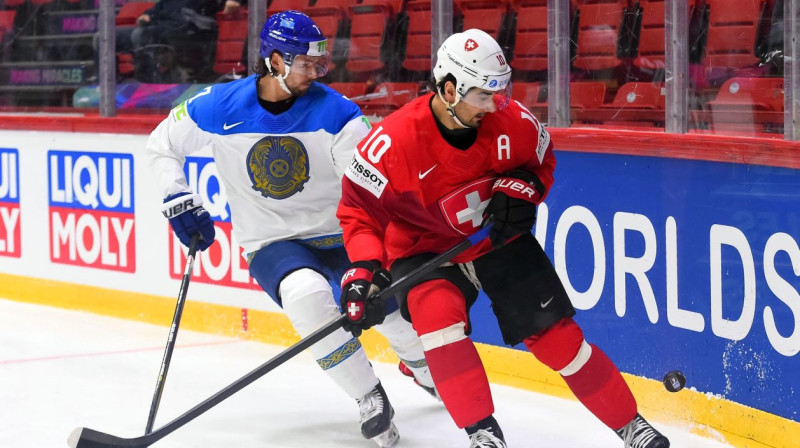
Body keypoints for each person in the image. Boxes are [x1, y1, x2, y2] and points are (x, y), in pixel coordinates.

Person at [336, 28, 671, 448]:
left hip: (497, 242)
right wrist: (364, 269)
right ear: (450, 88)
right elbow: (358, 211)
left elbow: (541, 163)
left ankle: (630, 425)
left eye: (500, 92)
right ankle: (483, 435)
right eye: (483, 95)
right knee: (439, 327)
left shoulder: (513, 122)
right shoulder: (390, 143)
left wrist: (525, 188)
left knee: (558, 339)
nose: (495, 104)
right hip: (424, 252)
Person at [145, 10, 437, 448]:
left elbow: (364, 185)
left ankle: (421, 366)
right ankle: (368, 395)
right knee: (307, 298)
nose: (317, 72)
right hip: (272, 243)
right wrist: (175, 197)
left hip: (341, 233)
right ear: (276, 61)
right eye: (307, 64)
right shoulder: (217, 106)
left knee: (389, 312)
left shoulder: (339, 112)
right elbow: (161, 146)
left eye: (321, 64)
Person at [116, 0, 243, 82]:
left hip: (189, 33)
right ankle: (103, 86)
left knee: (141, 35)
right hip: (158, 28)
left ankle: (148, 83)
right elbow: (160, 7)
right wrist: (148, 14)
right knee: (105, 38)